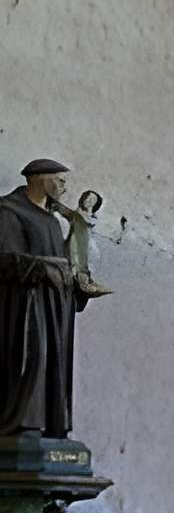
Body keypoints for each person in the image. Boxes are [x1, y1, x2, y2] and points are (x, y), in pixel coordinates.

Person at [0, 160, 94, 441]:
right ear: (40, 179)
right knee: (32, 358)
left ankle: (51, 426)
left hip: (55, 307)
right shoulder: (9, 212)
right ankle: (23, 425)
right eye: (60, 181)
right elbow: (5, 260)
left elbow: (65, 262)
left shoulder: (53, 222)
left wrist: (79, 284)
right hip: (24, 307)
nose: (64, 188)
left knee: (53, 364)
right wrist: (46, 269)